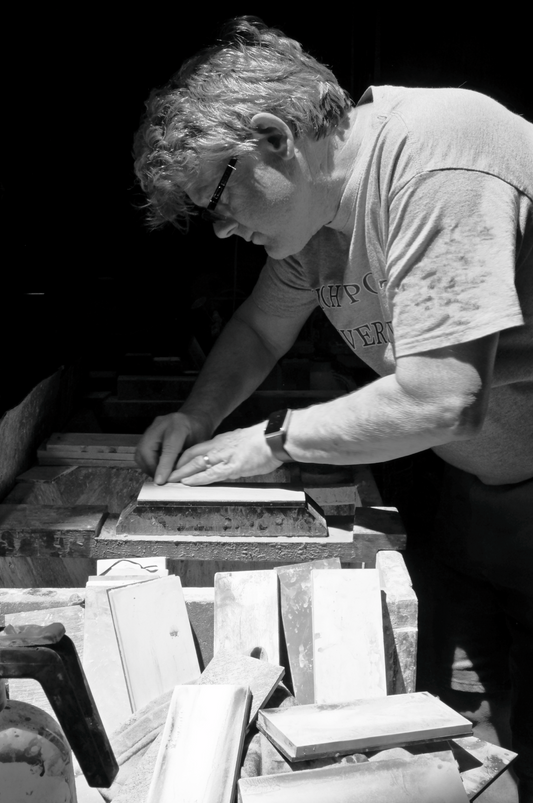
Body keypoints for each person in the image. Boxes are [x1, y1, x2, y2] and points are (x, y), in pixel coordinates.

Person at [132, 16, 533, 801]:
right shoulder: (316, 225)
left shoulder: (434, 156)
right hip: (479, 492)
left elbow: (444, 396)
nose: (219, 228)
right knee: (478, 744)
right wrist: (197, 416)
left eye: (216, 195)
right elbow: (256, 328)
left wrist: (275, 439)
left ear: (274, 136)